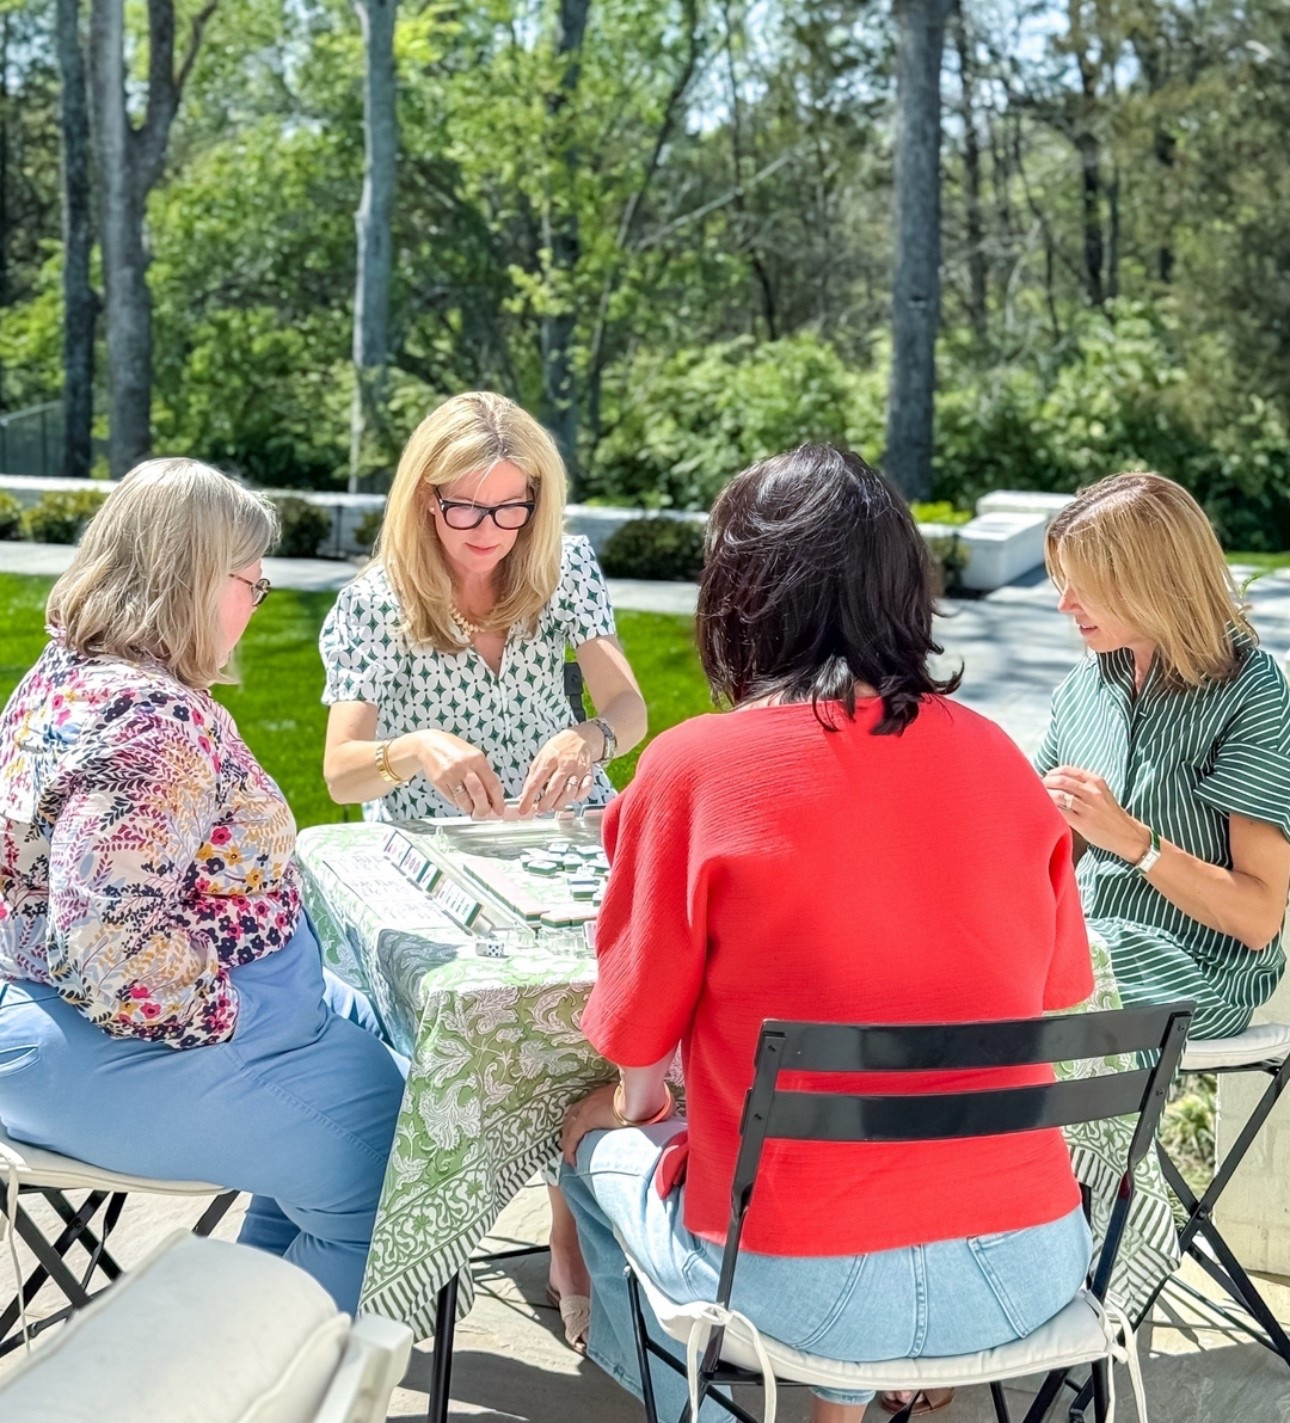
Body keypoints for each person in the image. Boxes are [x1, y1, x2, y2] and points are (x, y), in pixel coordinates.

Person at [558, 444, 1096, 1423]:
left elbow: (638, 1067)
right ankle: (840, 1400)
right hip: (1031, 1266)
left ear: (739, 594)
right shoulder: (999, 760)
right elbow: (1057, 990)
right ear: (902, 589)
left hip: (801, 1285)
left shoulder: (693, 770)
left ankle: (711, 1410)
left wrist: (633, 1105)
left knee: (588, 1137)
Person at [0, 459, 406, 1315]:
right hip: (116, 1043)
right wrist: (239, 1010)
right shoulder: (157, 724)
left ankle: (245, 1311)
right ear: (191, 579)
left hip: (52, 1017)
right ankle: (244, 1377)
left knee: (379, 1038)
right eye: (250, 582)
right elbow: (109, 947)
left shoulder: (65, 671)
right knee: (406, 1159)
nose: (256, 602)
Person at [319, 390, 647, 1345]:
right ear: (426, 499)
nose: (490, 533)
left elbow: (629, 711)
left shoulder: (563, 570)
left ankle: (567, 1212)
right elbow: (341, 772)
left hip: (559, 844)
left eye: (512, 509)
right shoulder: (378, 601)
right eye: (467, 508)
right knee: (480, 1028)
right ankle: (447, 1225)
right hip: (437, 859)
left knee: (595, 1014)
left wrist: (589, 734)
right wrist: (415, 746)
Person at [1038, 472, 1290, 1040]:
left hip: (1197, 975)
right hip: (1087, 952)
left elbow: (1257, 919)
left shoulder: (1249, 691)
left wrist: (1132, 840)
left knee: (1044, 981)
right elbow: (1038, 846)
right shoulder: (1086, 685)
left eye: (1084, 585)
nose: (1064, 604)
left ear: (1149, 581)